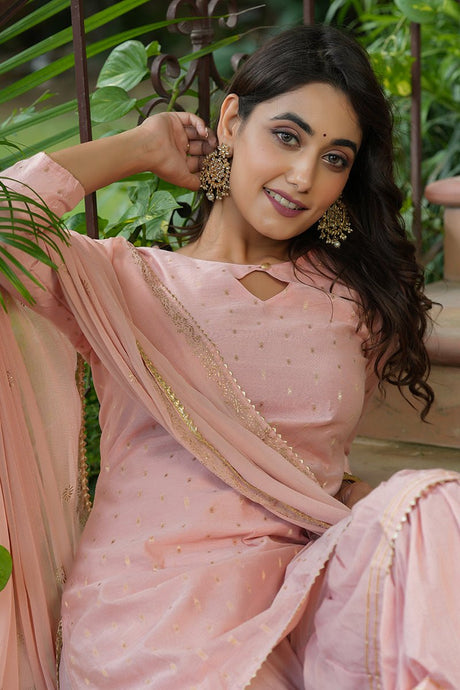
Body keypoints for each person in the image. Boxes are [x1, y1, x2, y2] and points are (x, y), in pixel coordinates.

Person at [0, 23, 459, 690]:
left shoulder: (351, 300)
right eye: (287, 136)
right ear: (232, 121)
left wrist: (371, 513)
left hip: (303, 600)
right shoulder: (120, 279)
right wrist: (137, 148)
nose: (304, 177)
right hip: (150, 616)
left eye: (335, 158)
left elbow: (307, 469)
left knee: (435, 503)